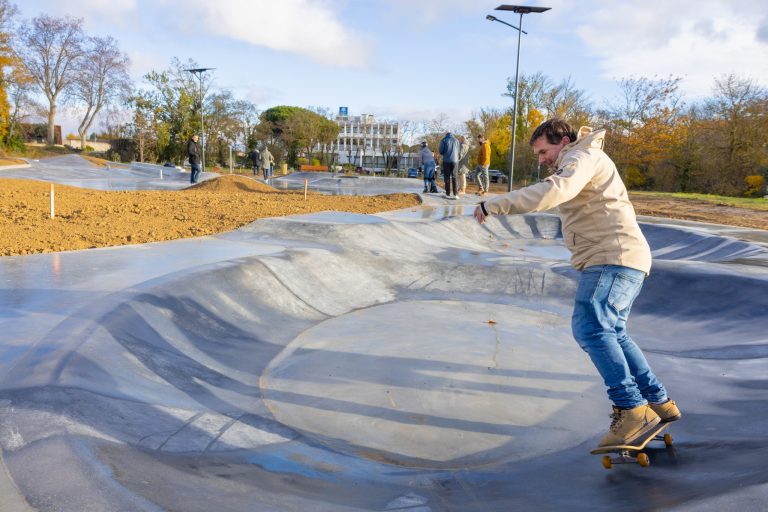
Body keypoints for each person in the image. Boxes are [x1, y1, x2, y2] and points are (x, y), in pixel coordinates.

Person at [473, 119, 681, 448]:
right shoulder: (581, 159)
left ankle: (631, 409)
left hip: (611, 257)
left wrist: (494, 204)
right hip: (623, 258)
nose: (541, 159)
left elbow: (557, 190)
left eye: (544, 151)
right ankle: (658, 401)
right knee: (614, 333)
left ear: (564, 141)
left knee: (590, 328)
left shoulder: (581, 158)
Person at [438, 132, 459, 199]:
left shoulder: (444, 140)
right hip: (455, 160)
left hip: (446, 160)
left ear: (446, 135)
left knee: (447, 177)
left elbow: (441, 151)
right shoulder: (456, 140)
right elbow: (459, 150)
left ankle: (448, 194)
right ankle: (455, 194)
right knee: (454, 177)